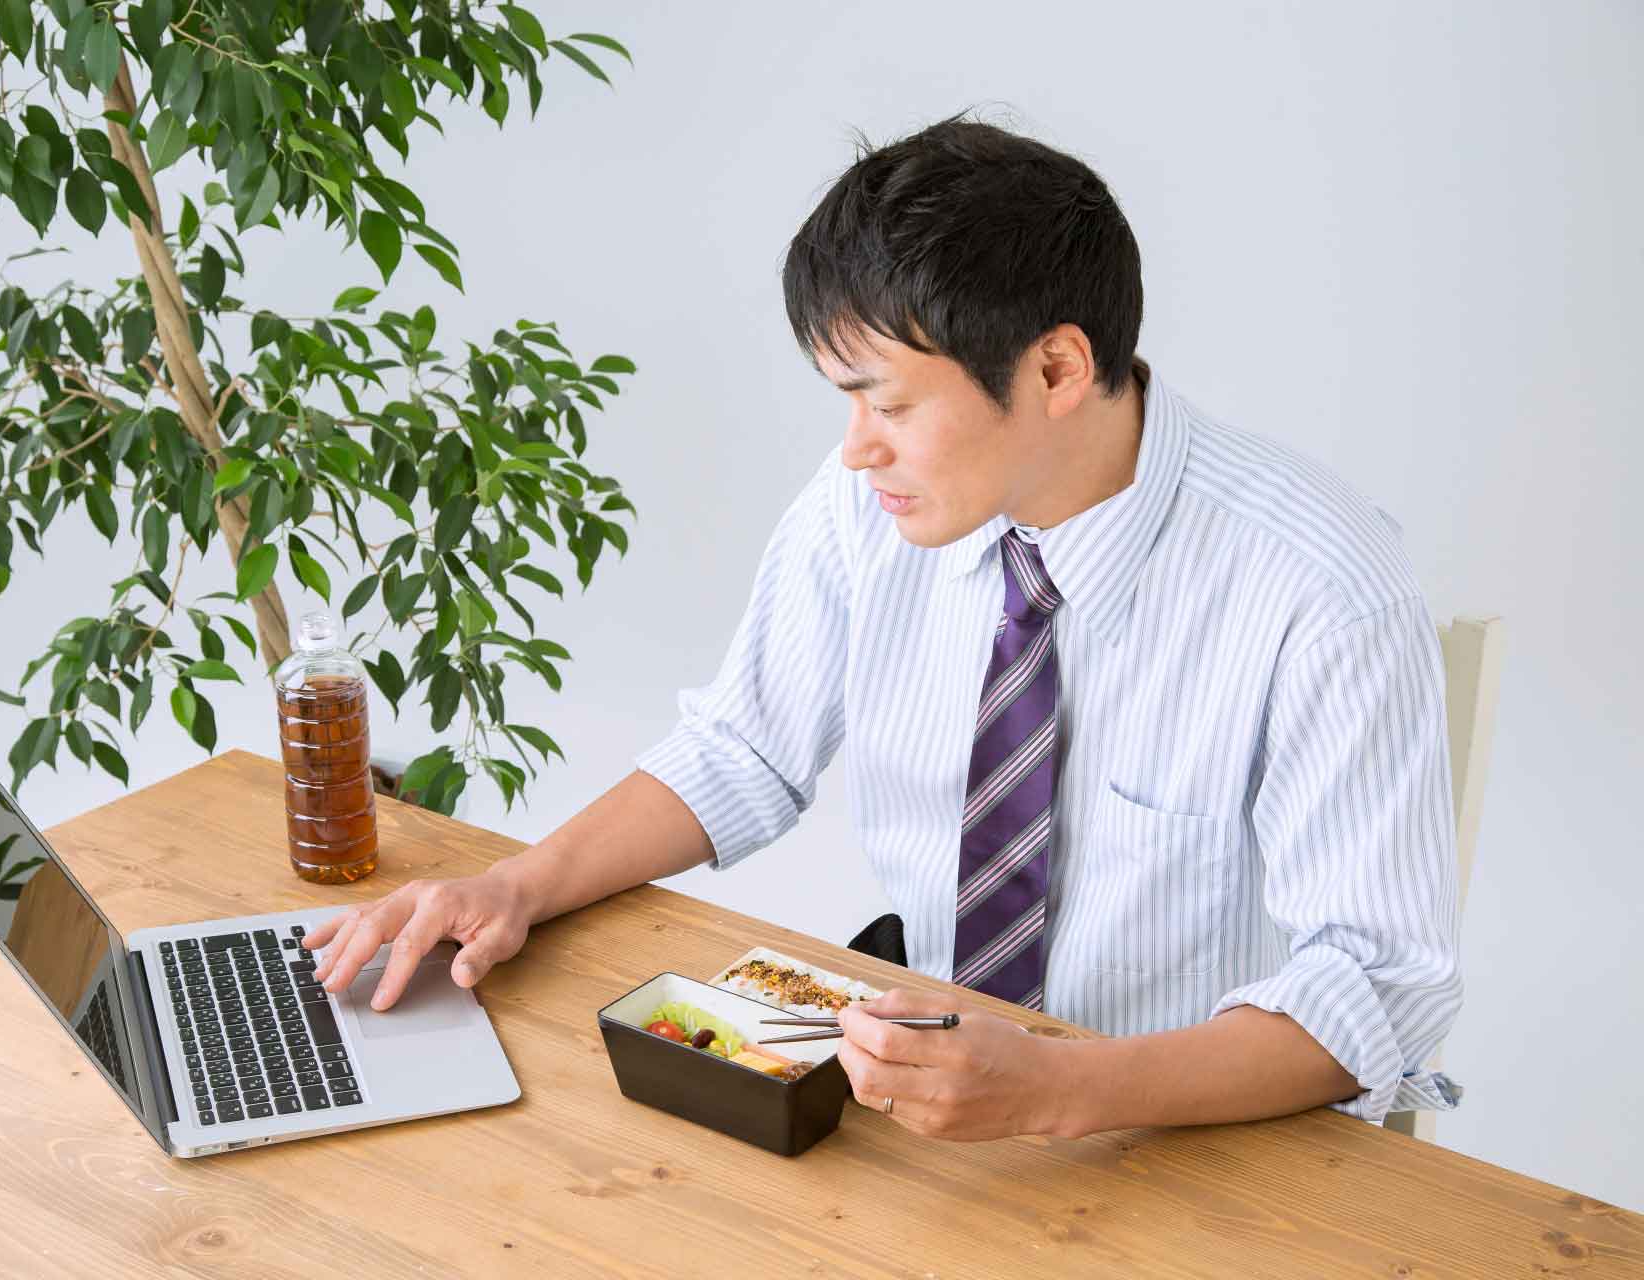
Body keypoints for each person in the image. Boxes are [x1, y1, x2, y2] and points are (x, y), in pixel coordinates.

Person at [304, 116, 1463, 1140]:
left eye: (891, 401)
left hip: (1202, 1139)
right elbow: (742, 748)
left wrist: (1062, 1087)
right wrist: (516, 884)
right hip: (932, 1100)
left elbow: (1378, 987)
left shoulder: (1320, 584)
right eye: (846, 399)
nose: (858, 447)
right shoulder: (876, 498)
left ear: (1058, 367)